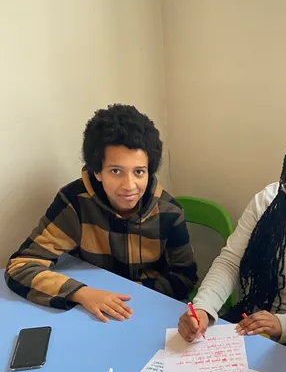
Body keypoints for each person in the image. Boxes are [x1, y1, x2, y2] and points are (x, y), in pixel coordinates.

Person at [5, 104, 197, 322]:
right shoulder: (75, 203)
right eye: (116, 171)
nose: (129, 185)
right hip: (91, 311)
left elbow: (185, 278)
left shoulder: (168, 211)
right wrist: (82, 293)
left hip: (149, 309)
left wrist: (130, 293)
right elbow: (21, 266)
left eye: (139, 172)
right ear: (97, 171)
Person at [177, 125, 286, 363]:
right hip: (254, 315)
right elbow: (231, 262)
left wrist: (282, 324)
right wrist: (204, 309)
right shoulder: (269, 202)